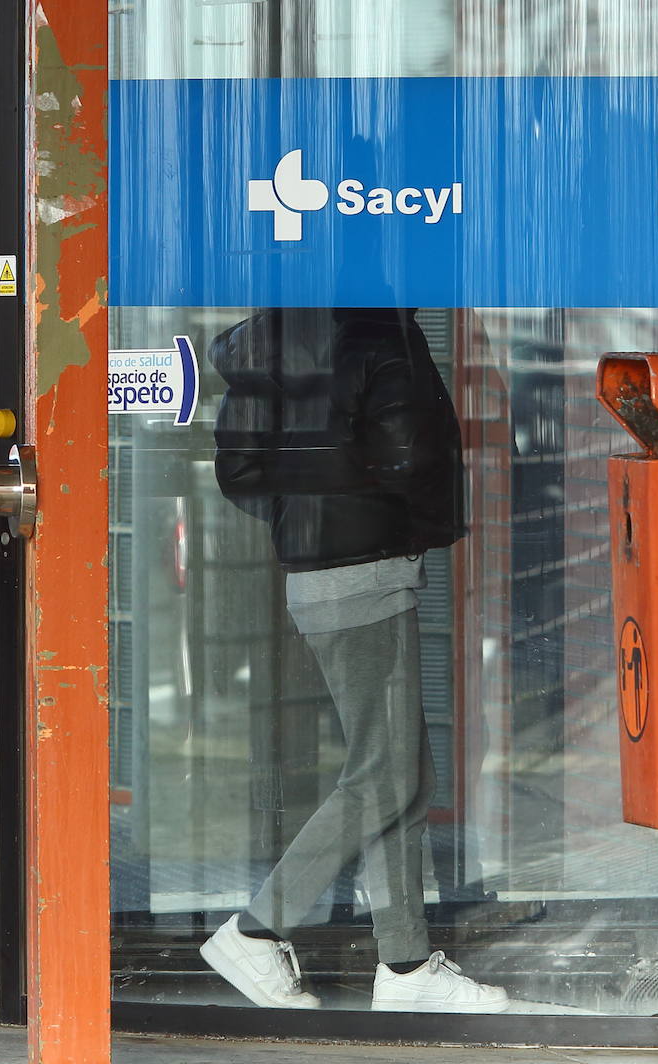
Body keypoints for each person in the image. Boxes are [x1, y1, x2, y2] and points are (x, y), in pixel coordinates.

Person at [203, 307, 509, 1013]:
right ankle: (258, 928)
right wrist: (411, 523)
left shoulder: (269, 338)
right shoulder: (381, 334)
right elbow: (414, 454)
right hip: (368, 569)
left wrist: (307, 518)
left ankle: (404, 966)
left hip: (317, 573)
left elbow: (241, 470)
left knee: (399, 769)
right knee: (387, 771)